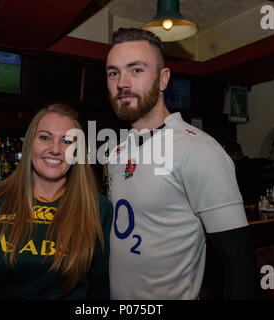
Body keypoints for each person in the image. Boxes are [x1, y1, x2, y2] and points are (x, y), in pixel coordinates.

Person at [105, 28, 258, 300]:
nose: (122, 83)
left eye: (136, 70)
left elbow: (241, 264)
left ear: (163, 79)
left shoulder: (198, 150)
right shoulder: (117, 151)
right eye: (113, 72)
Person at [0, 104, 112, 299]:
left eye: (67, 141)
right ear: (29, 144)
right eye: (45, 137)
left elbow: (101, 289)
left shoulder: (97, 209)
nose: (55, 149)